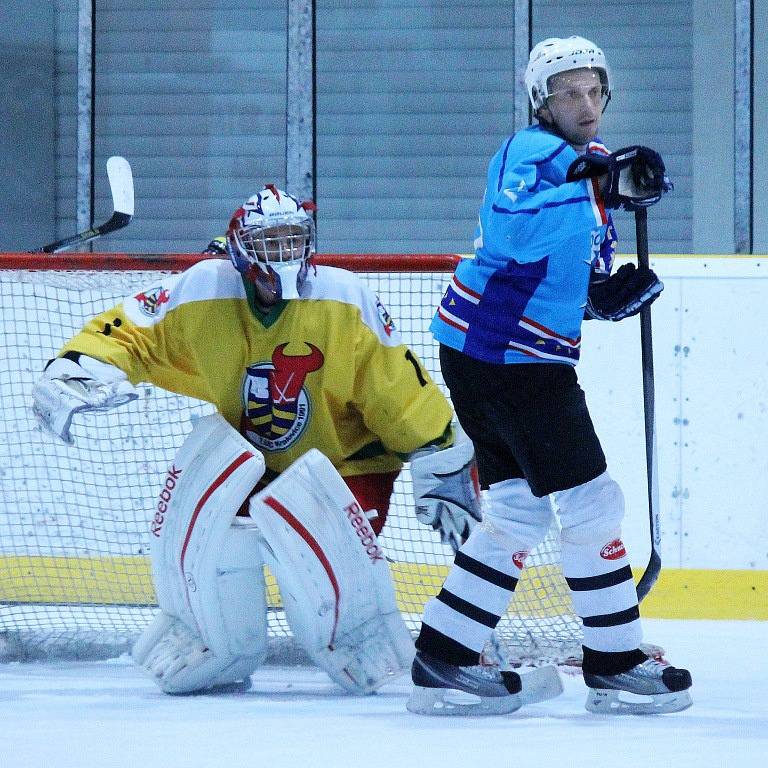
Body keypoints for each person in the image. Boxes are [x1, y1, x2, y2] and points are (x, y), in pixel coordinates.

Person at [31, 184, 483, 696]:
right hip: (257, 460)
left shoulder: (344, 297)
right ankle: (217, 642)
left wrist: (439, 452)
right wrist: (78, 367)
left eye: (294, 240)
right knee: (208, 541)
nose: (284, 254)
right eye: (271, 242)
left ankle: (361, 639)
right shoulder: (204, 289)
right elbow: (130, 328)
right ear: (242, 249)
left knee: (321, 562)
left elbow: (397, 387)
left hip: (348, 463)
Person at [407, 36, 693, 716]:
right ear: (543, 101)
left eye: (594, 91)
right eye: (569, 92)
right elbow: (511, 235)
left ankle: (444, 654)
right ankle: (615, 660)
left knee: (515, 509)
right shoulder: (531, 153)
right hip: (509, 359)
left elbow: (562, 275)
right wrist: (596, 185)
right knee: (593, 503)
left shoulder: (586, 169)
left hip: (502, 355)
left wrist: (605, 296)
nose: (585, 104)